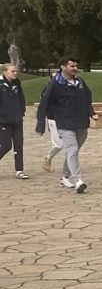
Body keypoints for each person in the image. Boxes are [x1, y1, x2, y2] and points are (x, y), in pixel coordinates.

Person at [35, 58, 96, 193]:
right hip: (64, 123)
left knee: (72, 151)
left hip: (81, 122)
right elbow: (44, 104)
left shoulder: (80, 82)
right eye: (72, 66)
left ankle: (65, 176)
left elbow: (87, 97)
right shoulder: (55, 84)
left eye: (76, 66)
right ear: (63, 67)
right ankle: (78, 180)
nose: (75, 68)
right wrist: (40, 124)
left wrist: (91, 112)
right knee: (72, 149)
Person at [0, 64, 29, 179]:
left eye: (16, 71)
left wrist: (22, 110)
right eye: (13, 71)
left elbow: (21, 98)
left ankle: (19, 170)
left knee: (19, 145)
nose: (15, 73)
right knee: (6, 146)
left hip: (17, 119)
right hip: (3, 120)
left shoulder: (17, 83)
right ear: (5, 71)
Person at [39, 63, 63, 171]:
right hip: (53, 118)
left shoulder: (66, 88)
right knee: (58, 144)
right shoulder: (47, 89)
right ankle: (48, 158)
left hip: (65, 118)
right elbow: (43, 105)